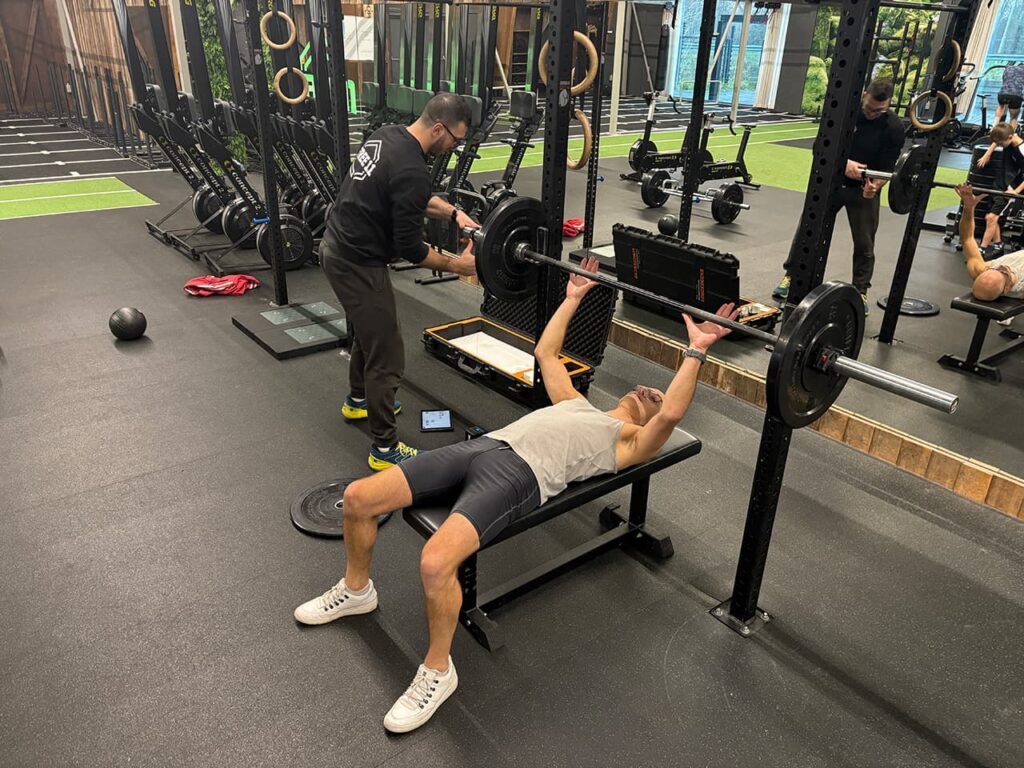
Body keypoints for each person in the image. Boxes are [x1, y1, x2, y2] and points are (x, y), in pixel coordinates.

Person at [294, 256, 737, 734]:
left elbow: (671, 416)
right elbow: (547, 355)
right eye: (649, 390)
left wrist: (696, 351)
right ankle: (357, 591)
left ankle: (438, 672)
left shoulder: (626, 442)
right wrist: (571, 299)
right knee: (360, 497)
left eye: (654, 396)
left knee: (435, 562)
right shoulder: (576, 402)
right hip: (485, 447)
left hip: (519, 478)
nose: (649, 391)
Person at [320, 93, 480, 471]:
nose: (453, 149)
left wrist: (456, 213)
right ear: (439, 129)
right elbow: (411, 249)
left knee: (369, 331)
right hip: (356, 263)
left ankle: (358, 401)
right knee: (388, 354)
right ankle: (385, 449)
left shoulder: (388, 135)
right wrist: (461, 267)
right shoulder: (412, 168)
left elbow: (414, 197)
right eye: (455, 141)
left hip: (337, 248)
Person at [774, 79, 906, 315]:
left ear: (888, 104)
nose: (873, 113)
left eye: (879, 110)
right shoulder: (845, 114)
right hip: (830, 182)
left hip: (863, 188)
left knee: (865, 242)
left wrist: (875, 186)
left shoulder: (893, 127)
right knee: (808, 228)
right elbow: (819, 147)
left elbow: (888, 167)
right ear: (864, 95)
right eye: (869, 108)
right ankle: (791, 276)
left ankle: (861, 290)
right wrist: (844, 164)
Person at [954, 184, 1024, 312]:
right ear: (1006, 290)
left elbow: (967, 238)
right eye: (1003, 273)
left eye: (996, 269)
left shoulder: (981, 269)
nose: (1002, 267)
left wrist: (968, 207)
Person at [972, 123, 1024, 258]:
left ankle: (981, 250)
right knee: (990, 218)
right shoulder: (1008, 138)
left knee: (991, 217)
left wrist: (1016, 192)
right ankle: (998, 246)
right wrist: (987, 154)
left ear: (1011, 137)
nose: (999, 145)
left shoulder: (1022, 149)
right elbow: (997, 140)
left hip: (1011, 189)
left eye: (1001, 144)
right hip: (999, 183)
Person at [992, 63, 1024, 133]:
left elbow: (1004, 80)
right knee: (1013, 118)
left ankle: (994, 127)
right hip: (1016, 95)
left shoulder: (1009, 68)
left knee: (1000, 106)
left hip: (1003, 93)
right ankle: (1010, 135)